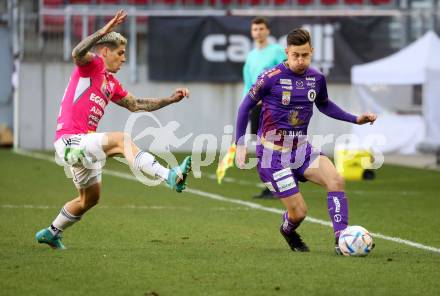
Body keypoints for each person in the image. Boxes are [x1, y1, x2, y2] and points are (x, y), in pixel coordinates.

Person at [35, 10, 192, 250]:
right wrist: (103, 32)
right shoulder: (92, 65)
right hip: (68, 141)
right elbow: (77, 53)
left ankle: (52, 232)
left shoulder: (111, 83)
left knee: (90, 199)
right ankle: (170, 176)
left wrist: (170, 99)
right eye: (120, 53)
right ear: (105, 51)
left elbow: (137, 104)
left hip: (82, 144)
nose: (124, 58)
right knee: (122, 140)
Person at [235, 28, 377, 254]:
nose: (300, 61)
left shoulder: (316, 78)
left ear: (311, 51)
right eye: (295, 56)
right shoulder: (270, 78)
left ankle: (341, 239)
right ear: (287, 53)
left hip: (302, 150)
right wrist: (240, 144)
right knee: (299, 213)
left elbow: (324, 104)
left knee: (336, 180)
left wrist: (356, 119)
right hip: (273, 156)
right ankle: (288, 230)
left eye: (305, 55)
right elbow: (245, 107)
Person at [242, 17, 286, 199]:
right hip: (257, 107)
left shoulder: (276, 51)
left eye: (261, 28)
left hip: (273, 106)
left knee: (274, 145)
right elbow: (248, 84)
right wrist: (248, 102)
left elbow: (286, 74)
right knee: (261, 146)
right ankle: (272, 186)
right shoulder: (251, 56)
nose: (258, 32)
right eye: (255, 29)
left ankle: (279, 185)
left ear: (268, 31)